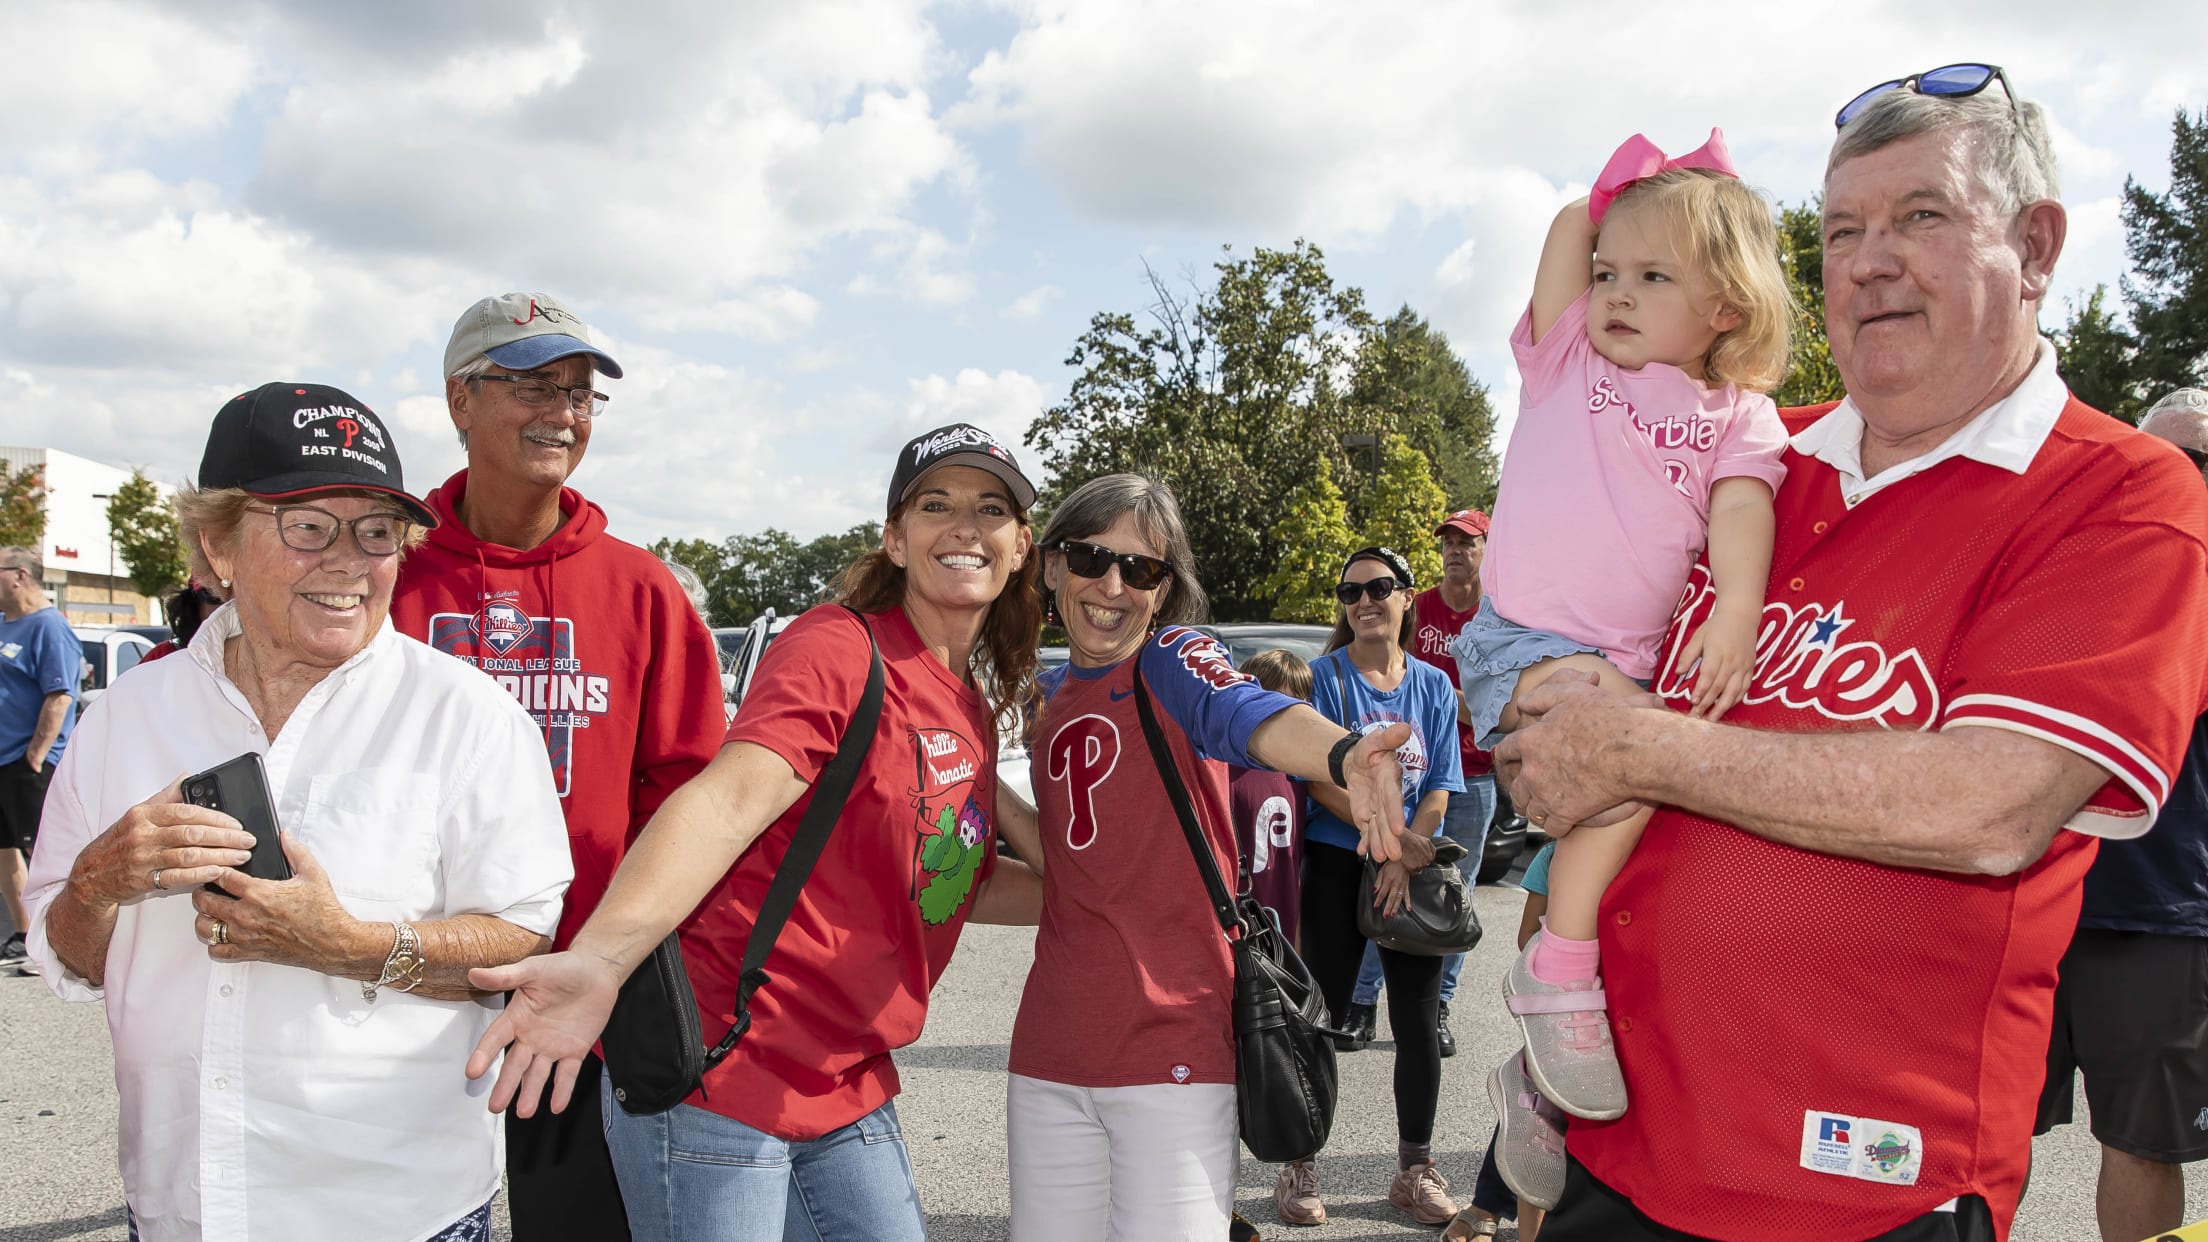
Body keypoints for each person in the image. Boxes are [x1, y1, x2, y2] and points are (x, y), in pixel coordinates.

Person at [1496, 67, 2208, 1242]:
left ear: (2034, 246)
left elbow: (1992, 804)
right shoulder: (1758, 465)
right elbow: (1569, 700)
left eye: (1920, 217)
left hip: (1856, 1190)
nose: (1869, 259)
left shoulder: (2119, 493)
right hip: (1610, 1160)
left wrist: (1638, 747)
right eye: (1839, 231)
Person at [465, 423, 1061, 1242]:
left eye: (991, 509)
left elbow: (954, 880)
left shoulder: (963, 705)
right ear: (894, 538)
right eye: (936, 505)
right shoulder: (839, 646)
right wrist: (601, 961)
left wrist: (1103, 892)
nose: (965, 526)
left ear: (1021, 544)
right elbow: (726, 801)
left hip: (846, 1073)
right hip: (721, 1065)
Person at [20, 382, 572, 1241]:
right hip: (182, 1205)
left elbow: (521, 938)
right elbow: (69, 958)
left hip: (396, 1211)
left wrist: (346, 945)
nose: (349, 560)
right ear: (219, 546)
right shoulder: (127, 715)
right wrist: (97, 882)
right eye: (310, 526)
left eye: (378, 531)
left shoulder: (468, 717)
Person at [1452, 126, 1794, 1123]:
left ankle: (1538, 1081)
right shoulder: (1568, 361)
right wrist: (1639, 195)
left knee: (1637, 808)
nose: (1617, 293)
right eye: (1609, 273)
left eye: (1652, 276)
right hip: (1520, 641)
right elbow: (1570, 222)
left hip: (1626, 668)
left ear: (1725, 306)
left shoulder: (1741, 412)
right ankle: (1557, 973)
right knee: (1632, 761)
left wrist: (1737, 607)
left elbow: (1741, 509)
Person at [390, 291, 727, 1242]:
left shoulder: (640, 587)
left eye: (581, 393)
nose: (563, 412)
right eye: (533, 383)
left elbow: (689, 793)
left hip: (579, 990)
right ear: (460, 399)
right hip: (404, 978)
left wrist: (616, 952)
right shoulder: (389, 575)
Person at [1001, 475, 1415, 1242]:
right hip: (1050, 1052)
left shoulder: (1171, 659)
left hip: (1175, 1049)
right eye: (1092, 558)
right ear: (1052, 565)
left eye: (1142, 570)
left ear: (1165, 591)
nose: (1113, 586)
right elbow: (1068, 867)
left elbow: (1246, 711)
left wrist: (1345, 754)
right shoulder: (1047, 701)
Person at [2033, 384, 2208, 1242]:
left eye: (2200, 462)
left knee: (2141, 1146)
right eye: (2164, 458)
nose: (2181, 477)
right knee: (1962, 1134)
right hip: (2019, 894)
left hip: (2156, 916)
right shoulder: (2070, 561)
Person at [1277, 546, 1466, 1229]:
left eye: (1379, 587)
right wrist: (1381, 840)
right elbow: (1316, 778)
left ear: (1407, 597)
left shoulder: (1435, 687)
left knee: (1416, 1026)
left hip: (1406, 870)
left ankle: (1413, 1170)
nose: (1364, 600)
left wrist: (1403, 854)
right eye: (1350, 590)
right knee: (1320, 1019)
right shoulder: (1323, 680)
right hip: (1336, 862)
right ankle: (1299, 1167)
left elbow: (1442, 781)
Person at [1344, 508, 1497, 1057]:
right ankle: (1361, 1001)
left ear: (1488, 548)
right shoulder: (1419, 608)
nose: (1455, 551)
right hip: (1405, 781)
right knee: (1386, 883)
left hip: (1472, 779)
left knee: (1453, 896)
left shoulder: (1501, 613)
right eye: (1448, 542)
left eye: (1468, 542)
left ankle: (1440, 1006)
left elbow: (1505, 705)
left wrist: (1460, 707)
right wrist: (1458, 705)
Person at [1448, 841, 1566, 1242]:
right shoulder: (1555, 853)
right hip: (1568, 1007)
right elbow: (1527, 936)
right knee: (1534, 1110)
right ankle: (1489, 1204)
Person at [0, 544, 78, 975]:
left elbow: (60, 695)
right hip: (1, 763)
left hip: (27, 765)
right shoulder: (3, 625)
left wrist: (35, 758)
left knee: (41, 857)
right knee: (5, 852)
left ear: (20, 576)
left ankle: (58, 944)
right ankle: (25, 934)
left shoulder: (48, 626)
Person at [1234, 647, 1313, 941]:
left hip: (1283, 927)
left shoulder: (1302, 772)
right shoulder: (1224, 771)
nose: (1291, 715)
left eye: (1300, 704)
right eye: (1279, 702)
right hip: (1237, 928)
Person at [140, 580, 225, 663]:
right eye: (217, 597)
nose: (230, 606)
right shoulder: (161, 657)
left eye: (237, 596)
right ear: (196, 605)